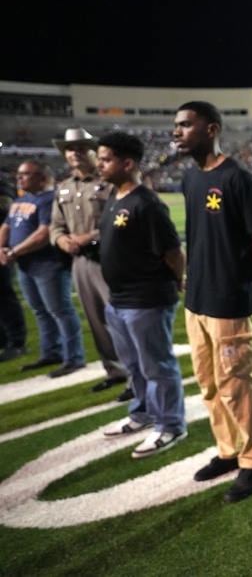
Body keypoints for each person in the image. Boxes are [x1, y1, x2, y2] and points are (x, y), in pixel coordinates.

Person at [173, 101, 252, 503]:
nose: (177, 131)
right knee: (209, 383)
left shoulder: (238, 178)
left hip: (228, 301)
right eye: (177, 125)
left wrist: (245, 286)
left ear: (211, 129)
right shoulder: (189, 178)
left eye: (186, 124)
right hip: (196, 298)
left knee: (238, 385)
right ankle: (229, 449)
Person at [96, 132, 187, 458]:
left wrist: (176, 281)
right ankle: (143, 413)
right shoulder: (115, 196)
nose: (99, 165)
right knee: (134, 364)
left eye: (106, 159)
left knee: (156, 365)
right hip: (119, 300)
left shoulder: (146, 203)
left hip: (146, 299)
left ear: (127, 163)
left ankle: (170, 424)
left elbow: (173, 252)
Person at [49, 127, 130, 396]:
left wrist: (90, 236)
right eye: (70, 149)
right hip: (80, 262)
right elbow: (55, 226)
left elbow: (122, 219)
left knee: (120, 319)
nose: (76, 153)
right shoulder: (63, 187)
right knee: (96, 320)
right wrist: (61, 240)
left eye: (82, 148)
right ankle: (114, 370)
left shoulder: (110, 182)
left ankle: (135, 377)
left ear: (94, 152)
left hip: (110, 258)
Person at [0, 161, 86, 377]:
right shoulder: (21, 199)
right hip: (26, 265)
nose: (19, 178)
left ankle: (74, 357)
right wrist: (2, 248)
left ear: (41, 177)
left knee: (60, 310)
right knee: (40, 311)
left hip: (48, 264)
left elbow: (44, 233)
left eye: (25, 174)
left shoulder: (50, 199)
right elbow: (7, 225)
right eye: (19, 174)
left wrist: (14, 251)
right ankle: (51, 352)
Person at [0, 174, 28, 363]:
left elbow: (7, 220)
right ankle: (4, 339)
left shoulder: (1, 188)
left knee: (4, 295)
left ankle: (17, 342)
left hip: (0, 249)